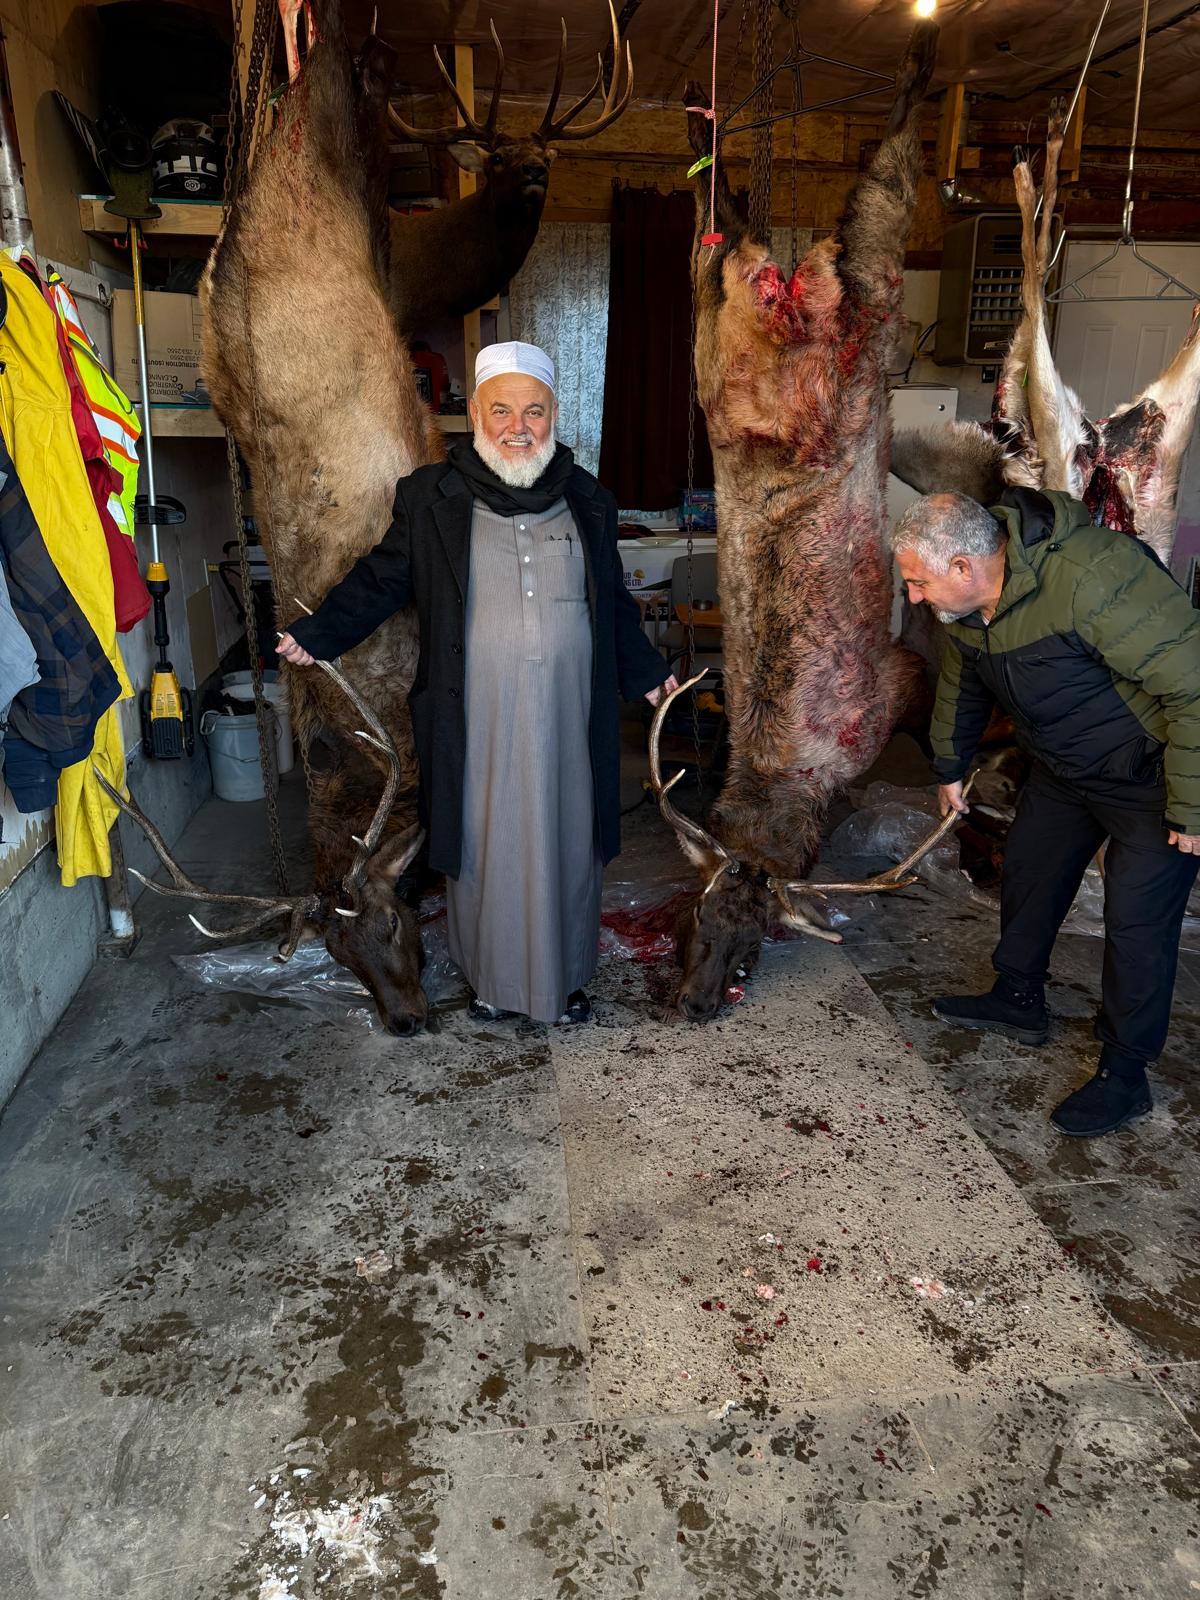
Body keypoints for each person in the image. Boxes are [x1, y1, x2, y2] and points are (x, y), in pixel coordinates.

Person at [278, 341, 676, 1025]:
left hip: (567, 718)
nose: (518, 426)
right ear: (478, 417)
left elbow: (610, 600)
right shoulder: (434, 498)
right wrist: (320, 635)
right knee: (486, 846)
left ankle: (567, 978)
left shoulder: (589, 500)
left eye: (534, 411)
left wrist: (647, 673)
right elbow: (382, 577)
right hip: (476, 716)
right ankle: (493, 986)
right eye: (502, 410)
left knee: (570, 841)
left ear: (554, 415)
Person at [892, 487, 1200, 1139]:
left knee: (1137, 924)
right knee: (1029, 872)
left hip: (1147, 776)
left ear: (962, 568)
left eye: (917, 584)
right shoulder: (972, 609)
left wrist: (1192, 806)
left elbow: (1193, 682)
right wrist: (948, 766)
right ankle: (1018, 998)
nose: (913, 599)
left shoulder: (1092, 576)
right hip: (1064, 770)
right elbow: (963, 682)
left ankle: (1125, 1072)